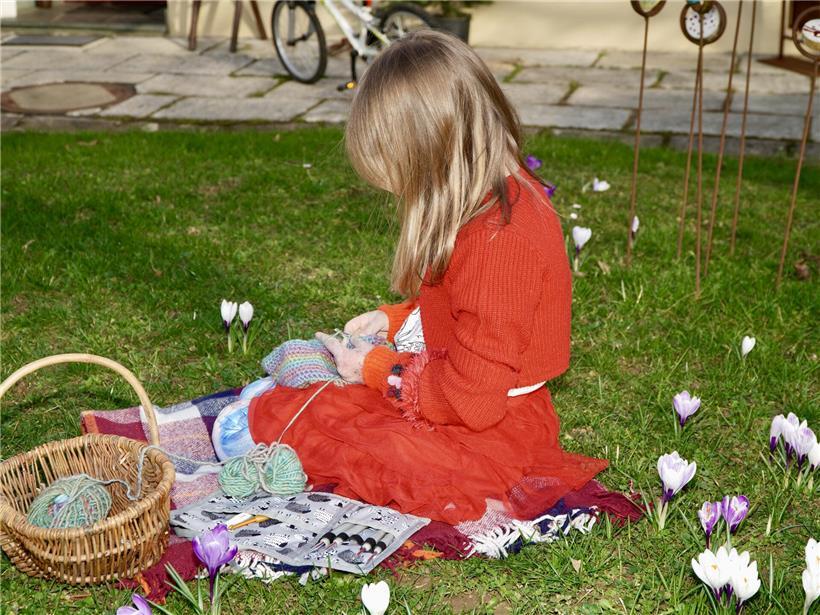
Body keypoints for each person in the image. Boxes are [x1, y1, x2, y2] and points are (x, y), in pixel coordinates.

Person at [213, 30, 607, 525]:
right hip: (468, 397)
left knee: (378, 446)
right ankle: (292, 408)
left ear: (430, 156)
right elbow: (467, 310)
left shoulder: (500, 243)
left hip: (488, 429)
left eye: (400, 179)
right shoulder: (490, 206)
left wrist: (377, 369)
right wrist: (394, 319)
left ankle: (276, 418)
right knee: (356, 410)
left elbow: (473, 400)